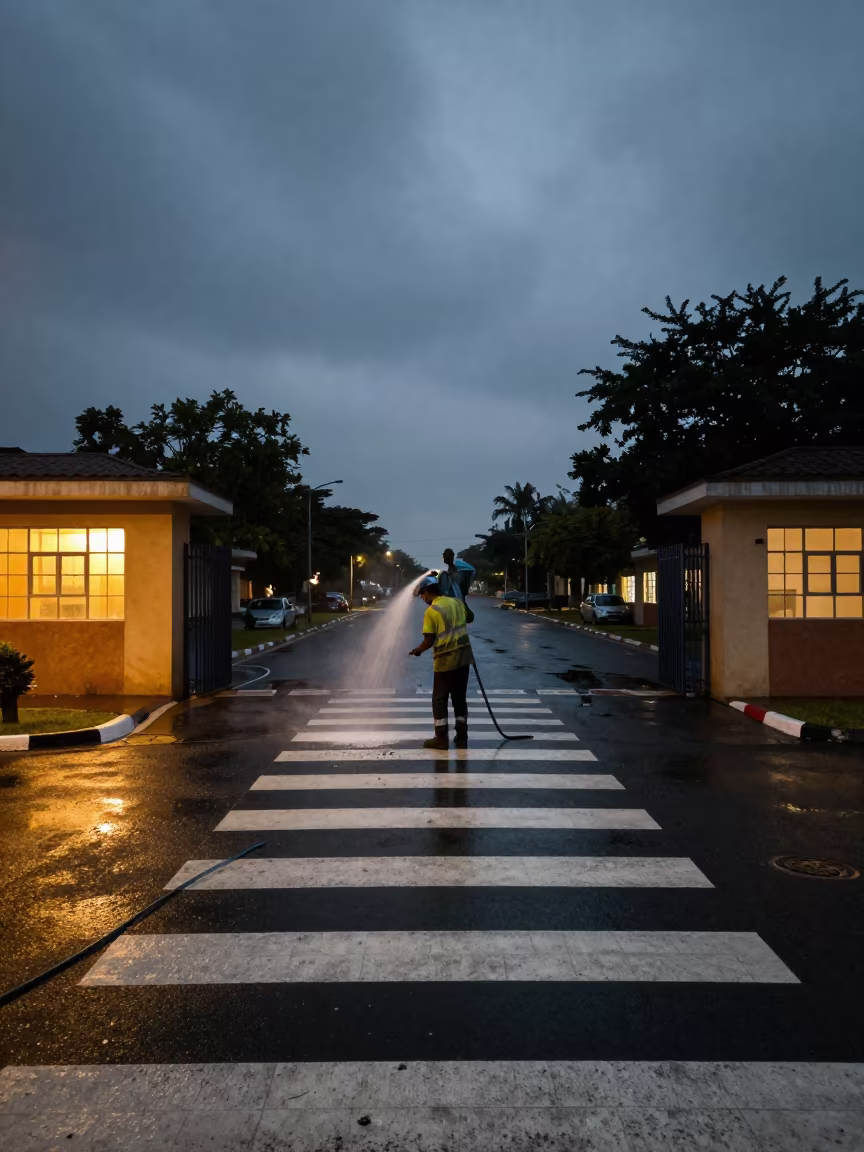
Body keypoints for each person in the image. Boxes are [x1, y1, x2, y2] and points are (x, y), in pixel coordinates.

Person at [409, 574, 473, 749]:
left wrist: (418, 650)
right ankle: (462, 735)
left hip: (446, 660)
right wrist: (462, 600)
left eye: (422, 594)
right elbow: (470, 618)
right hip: (464, 658)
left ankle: (441, 738)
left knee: (440, 698)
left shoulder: (432, 611)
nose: (422, 598)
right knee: (459, 696)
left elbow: (429, 640)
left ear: (429, 592)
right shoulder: (458, 602)